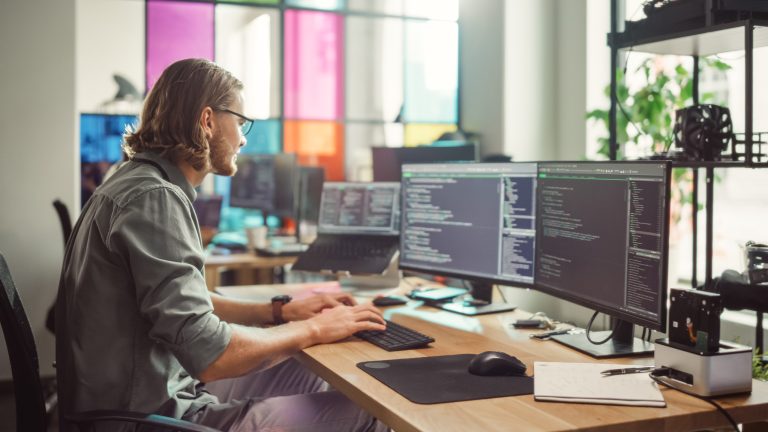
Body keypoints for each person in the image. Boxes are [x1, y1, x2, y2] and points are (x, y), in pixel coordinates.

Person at [56, 58, 388, 432]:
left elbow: (181, 304)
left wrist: (279, 312)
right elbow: (212, 355)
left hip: (146, 395)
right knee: (369, 410)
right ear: (208, 121)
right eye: (240, 121)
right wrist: (316, 329)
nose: (244, 137)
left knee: (307, 373)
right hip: (148, 418)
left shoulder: (134, 182)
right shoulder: (155, 198)